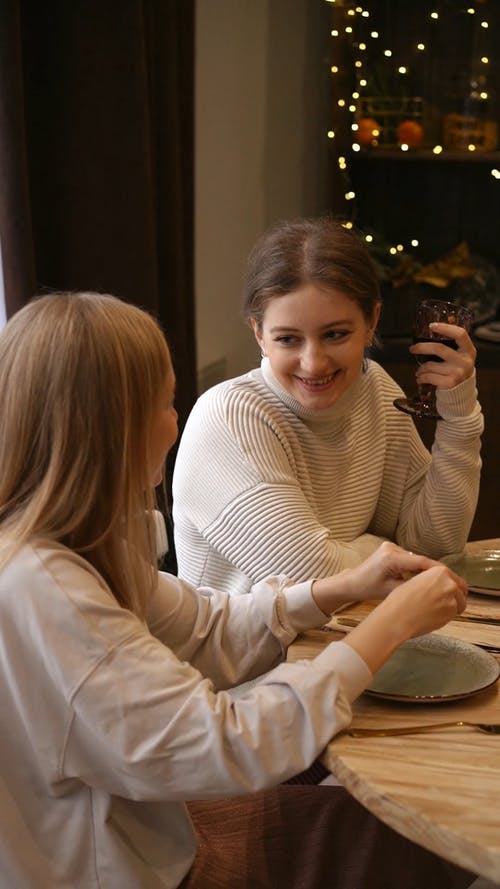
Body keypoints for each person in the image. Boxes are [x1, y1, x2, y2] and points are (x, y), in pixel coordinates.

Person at [0, 291, 474, 889]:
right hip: (133, 868)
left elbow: (202, 627)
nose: (175, 421)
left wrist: (339, 588)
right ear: (107, 427)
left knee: (400, 816)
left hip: (148, 829)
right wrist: (388, 626)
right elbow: (225, 744)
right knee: (425, 832)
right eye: (165, 403)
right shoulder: (44, 590)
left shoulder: (72, 542)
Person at [172, 217, 483, 596]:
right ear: (258, 333)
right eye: (288, 339)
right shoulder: (227, 419)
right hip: (255, 655)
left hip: (353, 638)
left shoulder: (373, 389)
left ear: (372, 321)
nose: (314, 363)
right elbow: (311, 579)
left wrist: (459, 416)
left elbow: (434, 547)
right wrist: (382, 552)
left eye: (335, 334)